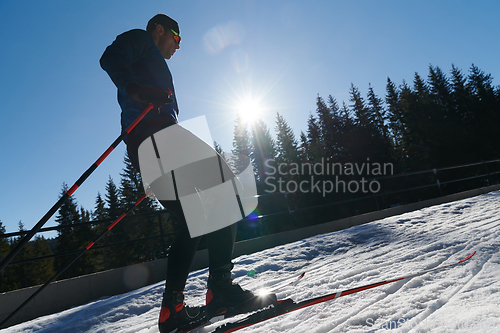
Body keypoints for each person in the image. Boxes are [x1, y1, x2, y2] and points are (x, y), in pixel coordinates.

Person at [100, 14, 275, 333]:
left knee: (194, 220)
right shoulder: (141, 39)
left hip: (148, 144)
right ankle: (220, 289)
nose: (178, 47)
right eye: (177, 39)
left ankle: (172, 311)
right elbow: (110, 57)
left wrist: (141, 93)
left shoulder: (151, 62)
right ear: (160, 30)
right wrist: (137, 89)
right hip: (158, 136)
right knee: (229, 190)